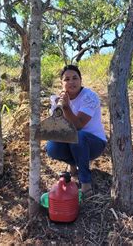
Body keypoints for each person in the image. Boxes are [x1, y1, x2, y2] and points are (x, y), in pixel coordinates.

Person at [45, 64, 107, 196]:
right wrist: (58, 106)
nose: (71, 82)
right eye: (66, 79)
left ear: (81, 80)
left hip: (94, 143)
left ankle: (85, 182)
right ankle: (73, 163)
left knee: (78, 135)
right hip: (74, 141)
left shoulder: (90, 97)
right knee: (52, 147)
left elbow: (78, 125)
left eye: (75, 78)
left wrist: (66, 108)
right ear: (61, 83)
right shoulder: (57, 99)